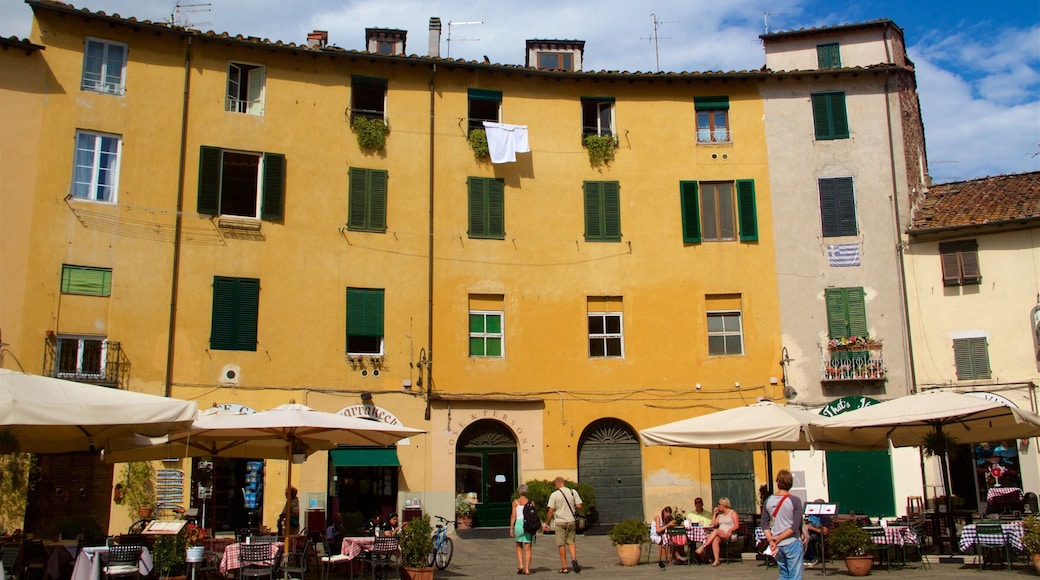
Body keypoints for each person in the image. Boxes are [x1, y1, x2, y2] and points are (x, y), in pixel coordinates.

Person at [762, 470, 806, 580]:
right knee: (795, 575)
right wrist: (779, 538)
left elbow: (764, 523)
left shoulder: (768, 500)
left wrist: (771, 540)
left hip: (776, 545)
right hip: (791, 541)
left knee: (783, 574)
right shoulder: (795, 500)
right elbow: (795, 526)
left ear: (777, 482)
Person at [543, 476, 583, 574]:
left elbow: (550, 511)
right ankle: (573, 558)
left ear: (557, 484)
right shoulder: (573, 492)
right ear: (563, 482)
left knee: (561, 544)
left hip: (560, 521)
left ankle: (564, 567)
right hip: (571, 521)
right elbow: (579, 506)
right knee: (571, 541)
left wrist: (547, 523)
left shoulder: (554, 495)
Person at [695, 497, 739, 566]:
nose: (718, 506)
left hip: (729, 533)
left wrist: (730, 530)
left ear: (724, 505)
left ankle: (703, 547)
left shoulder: (732, 513)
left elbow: (737, 525)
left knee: (716, 531)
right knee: (715, 539)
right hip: (720, 533)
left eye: (719, 504)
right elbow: (713, 524)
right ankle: (716, 560)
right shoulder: (720, 515)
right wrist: (715, 514)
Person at [509, 484, 535, 575]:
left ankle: (520, 565)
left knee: (519, 545)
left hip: (519, 524)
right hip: (528, 525)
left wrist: (511, 527)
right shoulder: (531, 502)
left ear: (518, 492)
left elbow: (513, 515)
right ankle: (527, 569)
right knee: (528, 547)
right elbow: (533, 515)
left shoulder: (515, 502)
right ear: (526, 492)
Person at [804, 499, 830, 567]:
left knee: (807, 539)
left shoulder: (824, 517)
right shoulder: (810, 514)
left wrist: (811, 528)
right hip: (807, 532)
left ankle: (813, 558)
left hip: (818, 534)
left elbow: (824, 532)